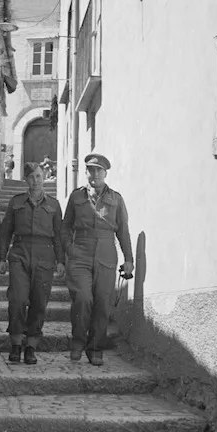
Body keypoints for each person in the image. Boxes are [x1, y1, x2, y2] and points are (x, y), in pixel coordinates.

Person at [61, 153, 134, 366]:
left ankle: (95, 349)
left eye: (98, 170)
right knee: (83, 298)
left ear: (105, 173)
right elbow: (65, 226)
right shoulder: (76, 197)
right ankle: (77, 342)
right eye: (90, 170)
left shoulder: (116, 199)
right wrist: (68, 248)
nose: (94, 174)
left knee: (103, 303)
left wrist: (129, 259)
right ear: (85, 173)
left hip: (106, 254)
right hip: (80, 253)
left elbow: (124, 231)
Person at [0, 162, 66, 365]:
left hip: (45, 256)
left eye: (38, 176)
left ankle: (31, 346)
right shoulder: (16, 202)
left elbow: (59, 236)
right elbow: (5, 232)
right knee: (17, 299)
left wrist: (61, 260)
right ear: (26, 180)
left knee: (39, 301)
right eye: (31, 177)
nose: (35, 181)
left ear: (43, 177)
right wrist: (1, 257)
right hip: (20, 253)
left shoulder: (53, 205)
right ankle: (16, 343)